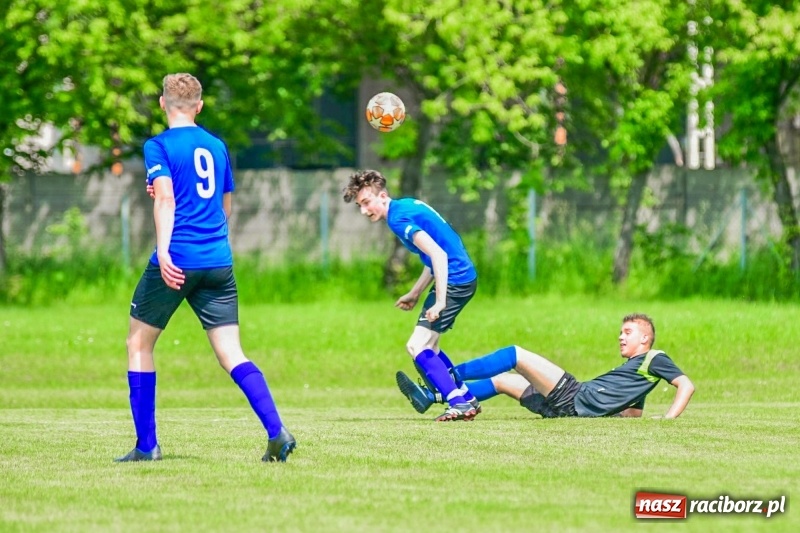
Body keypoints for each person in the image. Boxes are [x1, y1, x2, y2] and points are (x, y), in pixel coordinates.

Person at [116, 73, 296, 463]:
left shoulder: (158, 145)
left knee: (138, 344)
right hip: (218, 260)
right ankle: (276, 431)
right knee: (232, 352)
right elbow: (224, 205)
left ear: (163, 104)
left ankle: (147, 447)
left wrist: (164, 251)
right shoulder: (216, 146)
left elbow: (165, 200)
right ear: (199, 106)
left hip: (177, 259)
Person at [342, 169, 481, 421]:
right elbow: (431, 257)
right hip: (460, 278)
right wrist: (415, 292)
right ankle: (464, 397)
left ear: (382, 196)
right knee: (432, 346)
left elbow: (439, 255)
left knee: (417, 345)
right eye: (359, 206)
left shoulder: (398, 218)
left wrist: (440, 301)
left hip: (456, 280)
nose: (364, 211)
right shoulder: (404, 206)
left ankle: (458, 403)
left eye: (366, 203)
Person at [399, 313, 695, 419]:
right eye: (621, 331)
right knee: (504, 381)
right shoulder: (635, 375)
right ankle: (434, 396)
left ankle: (447, 379)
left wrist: (668, 419)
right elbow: (631, 414)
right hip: (562, 411)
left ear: (645, 338)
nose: (620, 336)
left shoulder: (654, 357)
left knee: (515, 354)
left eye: (627, 332)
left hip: (575, 397)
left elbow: (686, 385)